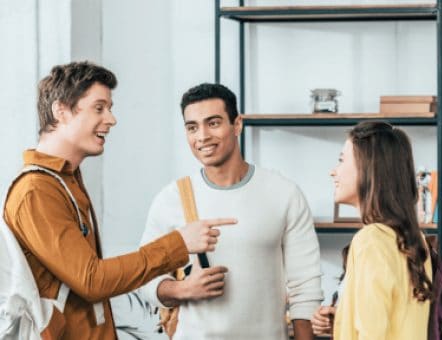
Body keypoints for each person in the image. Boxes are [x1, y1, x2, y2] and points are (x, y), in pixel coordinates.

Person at [3, 61, 235, 340]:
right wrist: (179, 243)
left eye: (109, 108)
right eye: (99, 108)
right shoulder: (37, 192)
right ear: (61, 111)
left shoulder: (65, 181)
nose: (111, 119)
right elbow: (92, 280)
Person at [138, 83, 323, 340]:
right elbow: (145, 279)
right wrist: (182, 289)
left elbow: (305, 286)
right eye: (192, 127)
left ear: (237, 124)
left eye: (213, 123)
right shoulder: (172, 199)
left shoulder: (284, 193)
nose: (201, 136)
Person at [311, 121, 433, 339]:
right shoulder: (414, 239)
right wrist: (341, 319)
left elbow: (373, 332)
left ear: (367, 167)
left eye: (341, 161)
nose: (333, 172)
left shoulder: (371, 240)